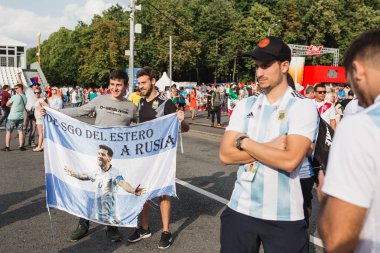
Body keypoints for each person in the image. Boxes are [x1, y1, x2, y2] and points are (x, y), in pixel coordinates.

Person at [219, 36, 318, 253]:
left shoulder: (303, 107)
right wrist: (269, 146)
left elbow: (290, 161)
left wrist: (243, 142)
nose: (259, 72)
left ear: (284, 66)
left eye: (265, 65)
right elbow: (226, 155)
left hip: (283, 217)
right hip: (240, 211)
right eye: (257, 66)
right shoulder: (246, 104)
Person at [41, 69, 138, 242]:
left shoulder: (131, 107)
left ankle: (111, 227)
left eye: (119, 85)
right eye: (112, 84)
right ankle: (83, 225)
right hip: (95, 154)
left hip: (115, 158)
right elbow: (79, 111)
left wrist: (172, 120)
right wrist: (51, 112)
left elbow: (145, 126)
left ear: (125, 87)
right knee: (90, 190)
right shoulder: (100, 100)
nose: (115, 88)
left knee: (110, 193)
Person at [317, 29, 380, 253]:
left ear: (358, 70)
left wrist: (326, 198)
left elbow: (337, 238)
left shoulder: (362, 125)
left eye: (350, 81)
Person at [127, 66, 189, 249]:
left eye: (144, 83)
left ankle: (166, 231)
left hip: (161, 157)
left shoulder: (166, 103)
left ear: (153, 81)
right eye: (139, 83)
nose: (141, 86)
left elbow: (184, 129)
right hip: (144, 156)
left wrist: (181, 120)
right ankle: (144, 228)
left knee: (163, 192)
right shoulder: (140, 103)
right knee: (143, 191)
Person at [65, 144, 145, 224]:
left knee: (111, 228)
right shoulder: (96, 172)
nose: (99, 156)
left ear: (109, 159)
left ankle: (112, 231)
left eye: (103, 154)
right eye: (99, 154)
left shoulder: (115, 173)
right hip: (99, 213)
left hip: (111, 216)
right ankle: (83, 226)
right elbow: (85, 176)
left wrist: (133, 190)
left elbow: (123, 183)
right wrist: (74, 174)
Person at [1, 84, 28, 151]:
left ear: (20, 88)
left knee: (8, 131)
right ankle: (21, 146)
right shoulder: (25, 97)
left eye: (16, 88)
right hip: (20, 116)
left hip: (12, 116)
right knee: (20, 131)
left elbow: (7, 104)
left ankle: (7, 147)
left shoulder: (15, 96)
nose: (15, 90)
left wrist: (12, 105)